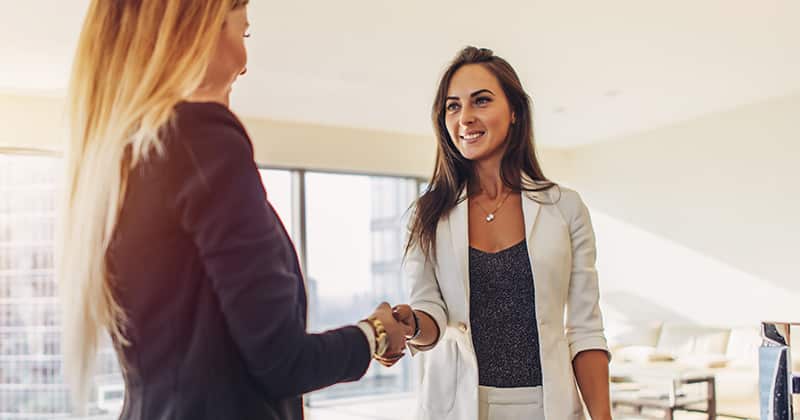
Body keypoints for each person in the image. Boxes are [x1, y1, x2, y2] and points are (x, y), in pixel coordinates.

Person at [56, 1, 406, 419]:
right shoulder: (201, 139)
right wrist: (377, 333)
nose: (244, 63)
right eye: (244, 33)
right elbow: (283, 362)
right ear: (200, 30)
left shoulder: (117, 157)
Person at [391, 46, 612, 420]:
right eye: (453, 106)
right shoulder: (427, 214)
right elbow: (431, 316)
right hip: (458, 406)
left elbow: (585, 329)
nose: (465, 118)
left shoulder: (565, 208)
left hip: (546, 406)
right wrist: (410, 324)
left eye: (481, 101)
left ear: (514, 112)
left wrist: (603, 417)